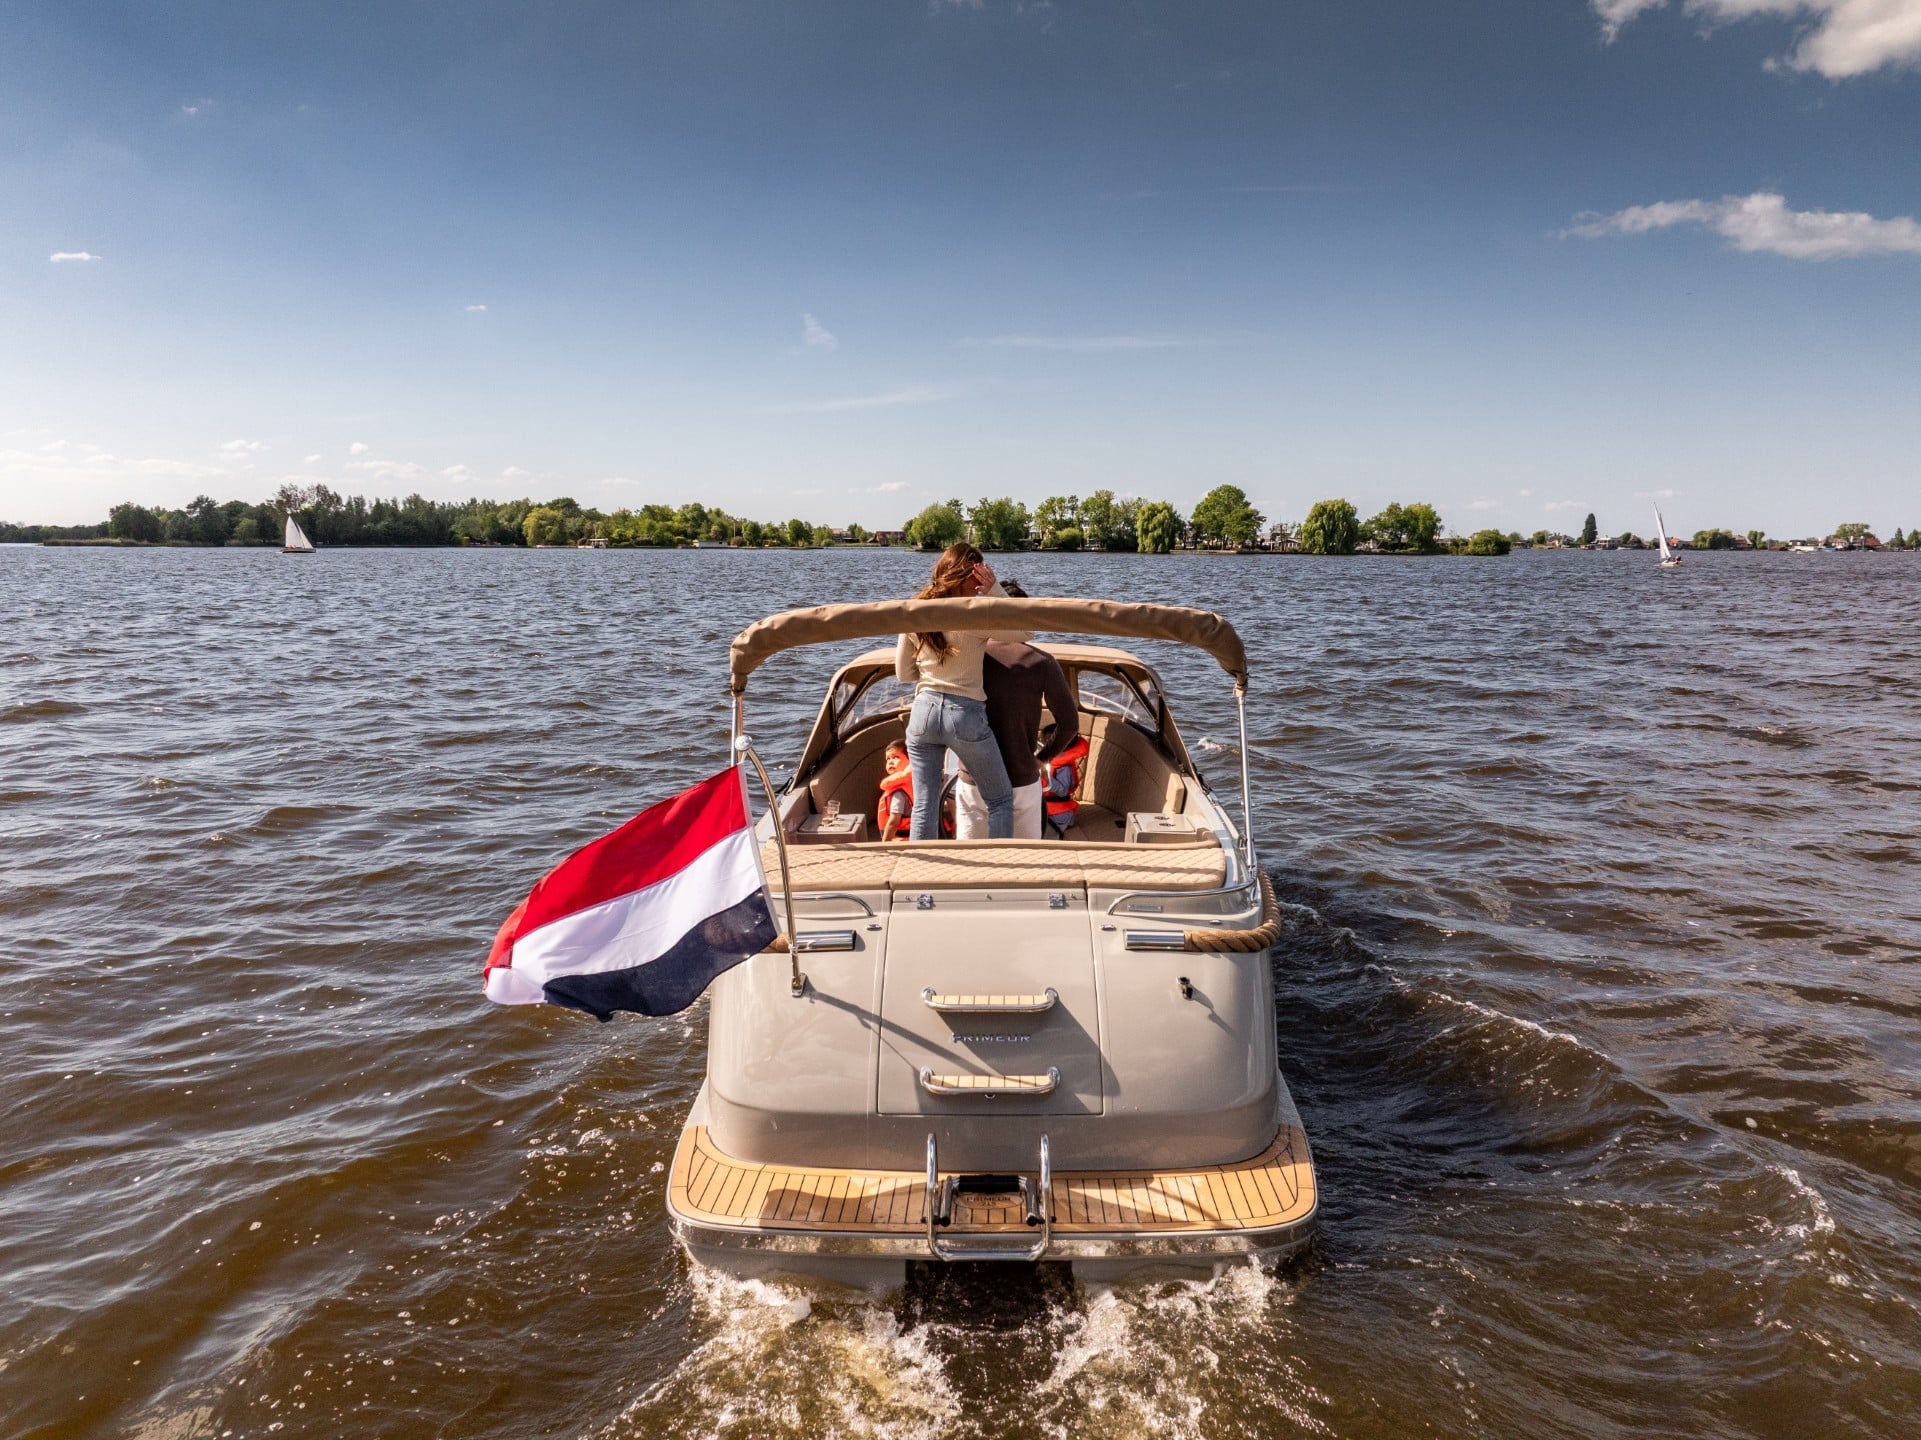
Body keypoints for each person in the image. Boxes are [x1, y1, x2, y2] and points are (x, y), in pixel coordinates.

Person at [895, 542, 1027, 840]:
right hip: (964, 714)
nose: (980, 586)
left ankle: (919, 867)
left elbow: (904, 674)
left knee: (924, 805)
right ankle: (1000, 865)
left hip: (923, 712)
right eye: (979, 576)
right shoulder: (975, 615)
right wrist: (995, 591)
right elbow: (1025, 631)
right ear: (969, 575)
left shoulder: (914, 611)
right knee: (1000, 800)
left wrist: (932, 671)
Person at [952, 635, 1081, 841]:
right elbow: (1069, 724)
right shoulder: (1042, 661)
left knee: (971, 857)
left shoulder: (967, 655)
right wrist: (1042, 758)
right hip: (1021, 779)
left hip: (973, 778)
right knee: (1024, 856)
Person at [876, 739, 913, 841]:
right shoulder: (913, 783)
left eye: (896, 757)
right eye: (888, 759)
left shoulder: (898, 793)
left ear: (910, 761)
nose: (890, 761)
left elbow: (894, 822)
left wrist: (884, 844)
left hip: (901, 842)